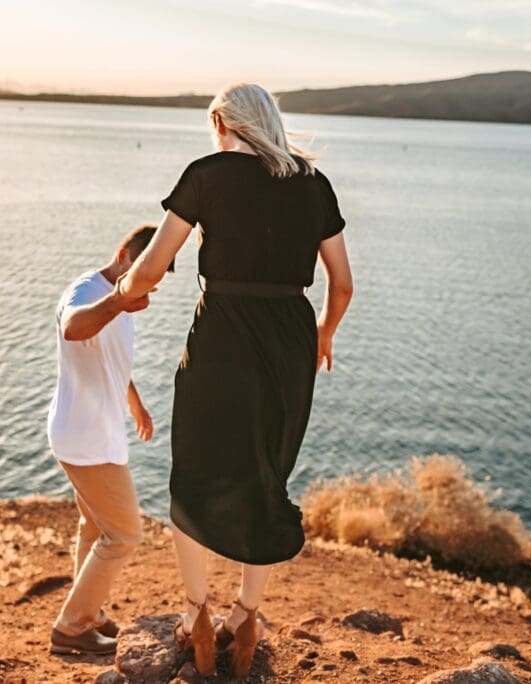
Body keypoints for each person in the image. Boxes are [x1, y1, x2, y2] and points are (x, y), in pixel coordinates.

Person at [72, 83, 354, 676]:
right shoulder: (314, 183)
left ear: (223, 121)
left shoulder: (206, 174)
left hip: (221, 340)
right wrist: (323, 334)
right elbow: (342, 283)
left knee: (194, 473)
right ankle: (246, 615)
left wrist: (124, 295)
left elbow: (150, 268)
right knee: (266, 472)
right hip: (291, 344)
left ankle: (196, 613)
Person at [46, 224, 175, 655]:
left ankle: (91, 612)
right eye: (145, 277)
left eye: (153, 284)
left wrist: (134, 402)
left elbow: (111, 359)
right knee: (124, 534)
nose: (147, 292)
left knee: (95, 524)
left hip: (92, 433)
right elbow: (73, 327)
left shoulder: (117, 302)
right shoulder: (87, 292)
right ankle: (71, 626)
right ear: (123, 255)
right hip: (85, 440)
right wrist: (120, 299)